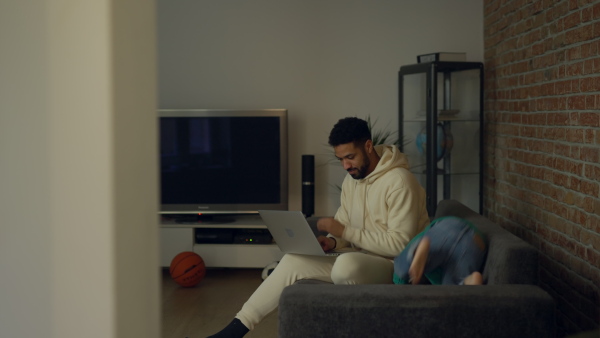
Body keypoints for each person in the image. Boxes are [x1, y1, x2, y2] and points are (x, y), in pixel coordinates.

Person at [207, 117, 429, 338]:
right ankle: (233, 332)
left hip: (395, 266)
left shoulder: (400, 182)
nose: (346, 166)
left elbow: (401, 244)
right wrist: (332, 241)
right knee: (293, 260)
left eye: (350, 157)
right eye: (340, 159)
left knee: (345, 265)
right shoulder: (351, 180)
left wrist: (343, 232)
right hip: (359, 256)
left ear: (368, 146)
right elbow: (345, 226)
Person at [393, 216, 487, 286]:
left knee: (402, 265)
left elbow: (399, 279)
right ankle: (468, 281)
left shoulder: (425, 236)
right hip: (475, 241)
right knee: (449, 291)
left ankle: (416, 253)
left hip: (448, 228)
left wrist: (399, 281)